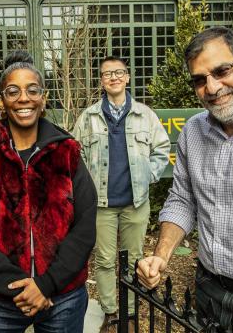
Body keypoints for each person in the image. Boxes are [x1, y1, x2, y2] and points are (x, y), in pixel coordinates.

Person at [137, 27, 233, 333]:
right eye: (200, 80)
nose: (212, 87)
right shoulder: (193, 131)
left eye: (221, 71)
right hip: (208, 290)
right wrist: (161, 256)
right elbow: (183, 200)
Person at [0, 50, 97, 333]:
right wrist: (20, 288)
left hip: (62, 298)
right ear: (1, 100)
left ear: (43, 99)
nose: (24, 98)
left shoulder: (67, 153)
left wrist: (45, 285)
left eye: (32, 90)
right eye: (13, 91)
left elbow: (84, 226)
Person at [73, 56, 170, 333]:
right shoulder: (89, 117)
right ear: (101, 81)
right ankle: (110, 312)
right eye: (107, 74)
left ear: (127, 77)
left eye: (119, 73)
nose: (113, 77)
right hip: (101, 204)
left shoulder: (144, 115)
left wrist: (147, 176)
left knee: (134, 257)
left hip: (135, 203)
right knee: (103, 260)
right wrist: (86, 187)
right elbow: (75, 155)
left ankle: (129, 312)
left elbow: (161, 149)